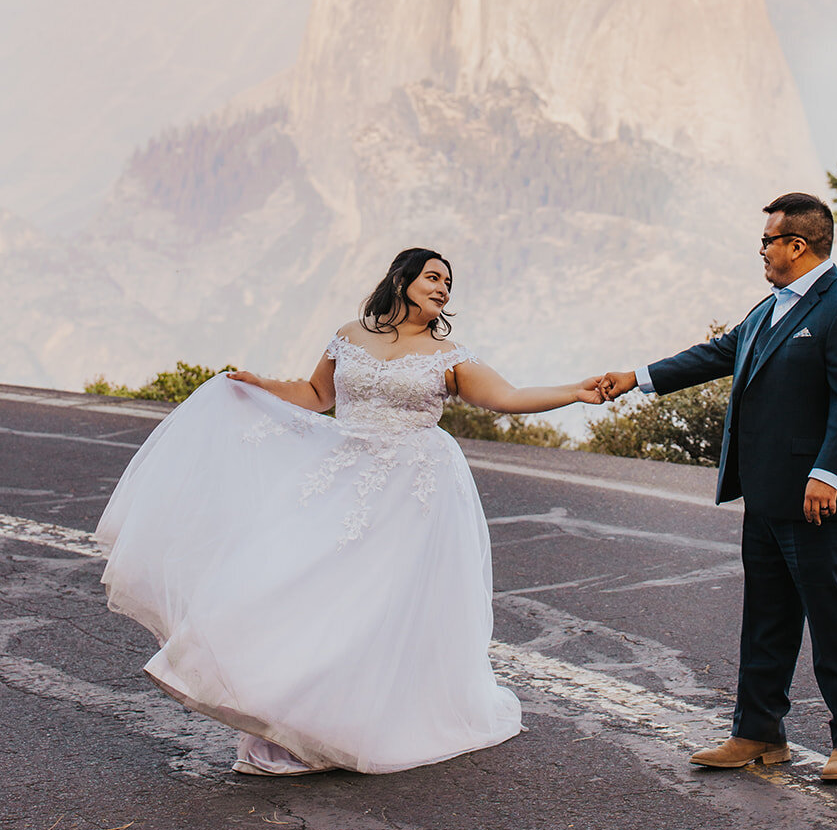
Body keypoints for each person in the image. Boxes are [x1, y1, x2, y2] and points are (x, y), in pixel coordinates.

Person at [97, 247, 606, 777]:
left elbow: (509, 396)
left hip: (415, 489)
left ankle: (349, 724)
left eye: (449, 283)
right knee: (301, 583)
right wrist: (259, 386)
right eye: (433, 277)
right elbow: (317, 394)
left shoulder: (448, 355)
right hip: (344, 473)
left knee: (373, 603)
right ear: (401, 280)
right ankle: (286, 711)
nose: (443, 288)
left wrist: (576, 392)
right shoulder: (350, 335)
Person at [600, 192, 837, 782]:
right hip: (767, 493)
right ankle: (757, 733)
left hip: (821, 497)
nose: (761, 250)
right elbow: (718, 354)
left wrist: (826, 474)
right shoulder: (769, 308)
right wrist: (638, 378)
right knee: (766, 617)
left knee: (833, 616)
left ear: (797, 246)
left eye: (768, 240)